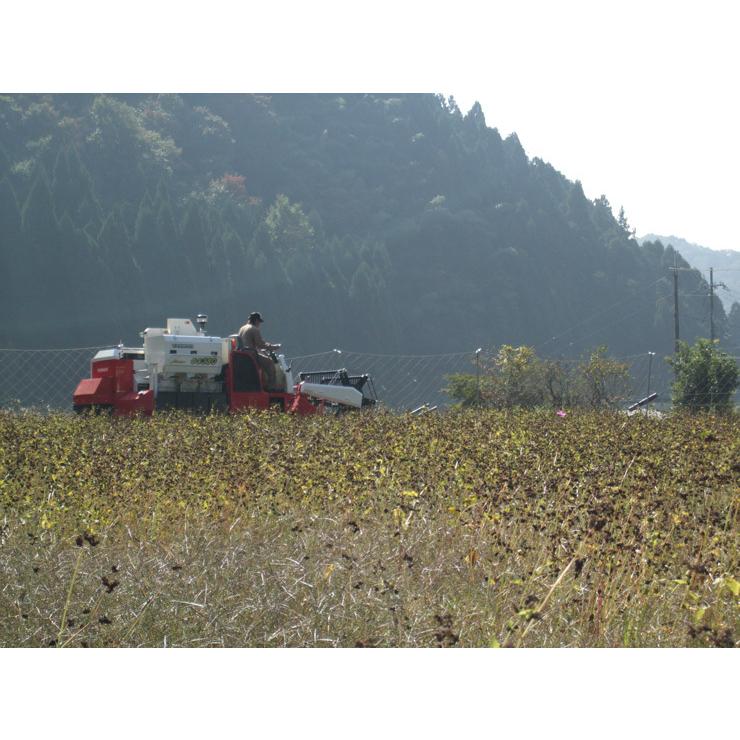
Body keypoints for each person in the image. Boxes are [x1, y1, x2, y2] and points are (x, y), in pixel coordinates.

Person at [237, 312, 282, 390]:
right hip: (251, 355)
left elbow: (253, 343)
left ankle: (263, 383)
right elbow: (260, 344)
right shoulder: (254, 329)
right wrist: (273, 347)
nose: (259, 324)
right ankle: (272, 387)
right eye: (259, 322)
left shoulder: (242, 328)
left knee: (263, 358)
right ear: (256, 321)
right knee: (269, 362)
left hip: (243, 354)